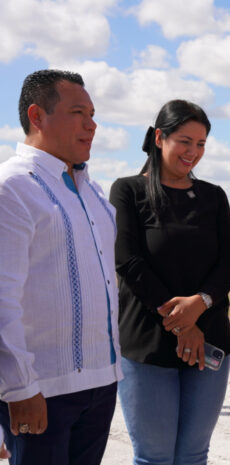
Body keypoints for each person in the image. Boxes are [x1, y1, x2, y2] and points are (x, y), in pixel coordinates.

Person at [0, 69, 122, 464]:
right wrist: (19, 388)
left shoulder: (94, 192)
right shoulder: (12, 188)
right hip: (42, 389)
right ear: (37, 116)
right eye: (77, 112)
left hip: (102, 382)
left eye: (92, 113)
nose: (92, 124)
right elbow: (2, 299)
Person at [110, 100, 230, 464]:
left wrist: (200, 303)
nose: (193, 152)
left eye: (201, 144)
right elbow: (128, 261)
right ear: (159, 137)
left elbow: (228, 259)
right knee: (154, 456)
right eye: (185, 141)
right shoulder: (128, 191)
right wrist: (182, 324)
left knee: (194, 455)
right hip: (146, 342)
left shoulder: (214, 196)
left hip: (209, 337)